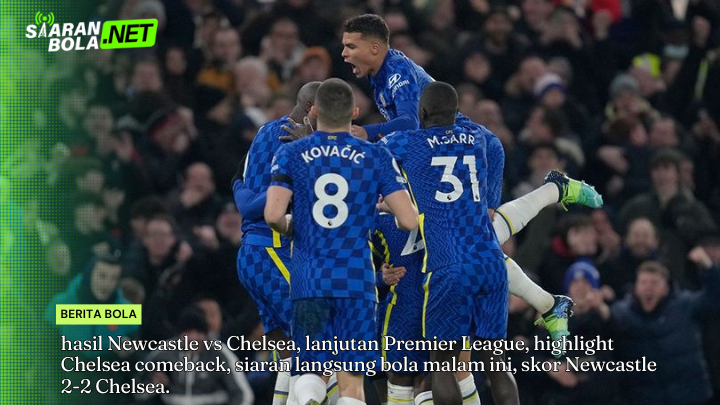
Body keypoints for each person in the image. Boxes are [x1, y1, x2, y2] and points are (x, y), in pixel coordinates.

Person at [264, 78, 418, 405]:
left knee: (309, 369)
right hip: (356, 279)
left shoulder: (291, 153)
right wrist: (376, 209)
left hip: (310, 277)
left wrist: (294, 226)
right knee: (352, 383)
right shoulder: (376, 155)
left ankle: (310, 396)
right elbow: (408, 220)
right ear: (355, 112)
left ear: (315, 111)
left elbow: (273, 215)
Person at [232, 80, 321, 405]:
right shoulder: (292, 142)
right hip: (271, 249)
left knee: (286, 350)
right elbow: (268, 203)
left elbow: (245, 186)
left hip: (253, 254)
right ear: (311, 109)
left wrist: (239, 192)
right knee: (317, 340)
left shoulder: (265, 131)